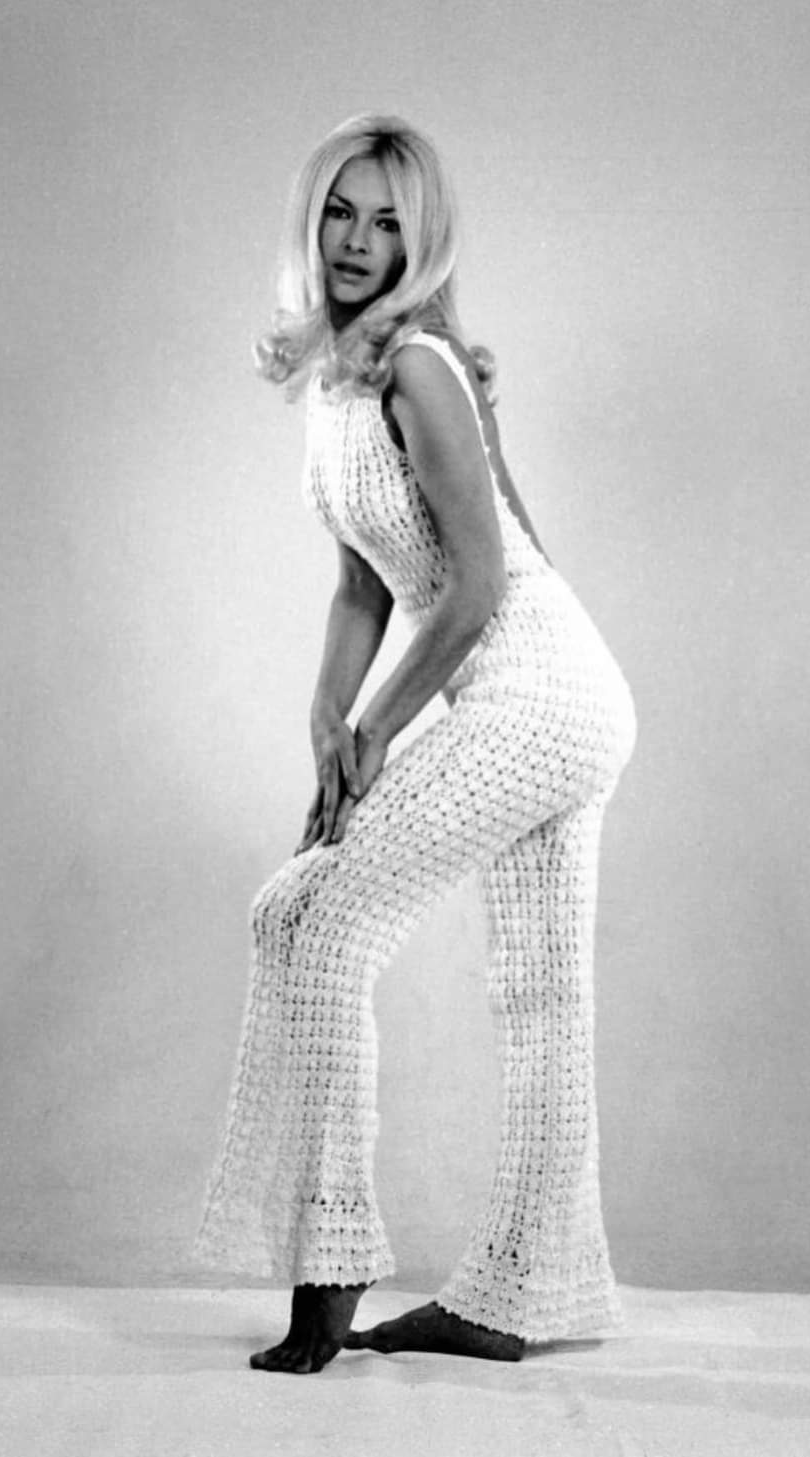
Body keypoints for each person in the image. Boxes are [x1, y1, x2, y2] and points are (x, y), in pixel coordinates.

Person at [192, 113, 637, 1375]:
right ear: (312, 216)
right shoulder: (338, 378)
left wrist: (379, 728)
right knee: (541, 996)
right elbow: (362, 582)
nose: (358, 240)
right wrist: (324, 716)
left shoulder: (419, 369)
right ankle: (516, 1295)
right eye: (341, 210)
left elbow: (486, 581)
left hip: (541, 688)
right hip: (539, 690)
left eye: (389, 222)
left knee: (307, 918)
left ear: (421, 242)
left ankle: (330, 1260)